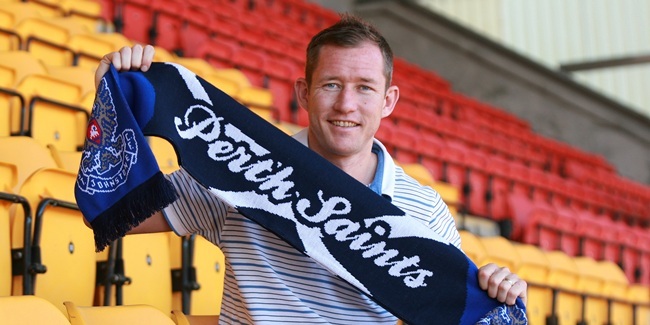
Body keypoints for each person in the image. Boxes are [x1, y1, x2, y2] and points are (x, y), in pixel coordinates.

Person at [94, 14, 527, 324]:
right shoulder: (240, 164)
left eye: (364, 89)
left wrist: (502, 294)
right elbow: (118, 212)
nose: (346, 105)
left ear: (388, 102)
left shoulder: (425, 210)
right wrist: (113, 105)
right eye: (331, 85)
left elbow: (460, 312)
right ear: (304, 92)